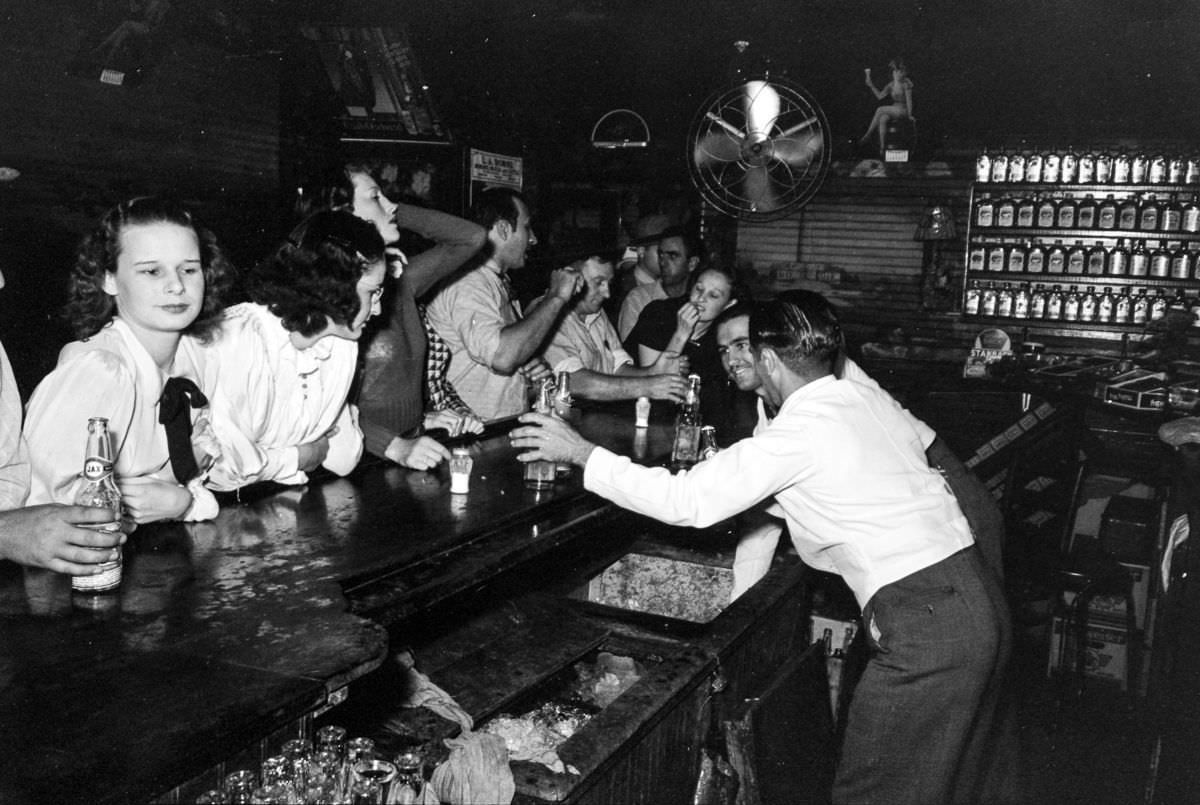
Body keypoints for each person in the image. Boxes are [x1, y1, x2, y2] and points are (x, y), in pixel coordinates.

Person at [511, 290, 1014, 805]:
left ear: (769, 359)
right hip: (974, 600)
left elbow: (688, 502)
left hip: (925, 623)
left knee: (872, 793)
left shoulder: (799, 431)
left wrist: (579, 452)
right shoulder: (860, 400)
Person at [712, 299, 1008, 598]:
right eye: (723, 350)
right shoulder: (768, 414)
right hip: (897, 526)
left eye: (741, 345)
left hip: (931, 465)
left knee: (984, 578)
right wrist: (739, 602)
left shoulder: (823, 378)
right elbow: (762, 515)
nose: (731, 360)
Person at [24, 196, 231, 524]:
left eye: (189, 269)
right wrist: (180, 502)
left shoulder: (196, 356)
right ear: (108, 279)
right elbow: (42, 512)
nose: (177, 286)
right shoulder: (99, 372)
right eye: (152, 271)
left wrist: (182, 500)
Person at [303, 163, 486, 470]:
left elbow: (471, 237)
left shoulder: (400, 280)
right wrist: (393, 445)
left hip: (406, 450)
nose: (390, 205)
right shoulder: (329, 294)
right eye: (375, 197)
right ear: (342, 213)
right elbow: (323, 410)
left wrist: (386, 215)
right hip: (357, 460)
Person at [198, 210, 382, 491]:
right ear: (332, 286)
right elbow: (223, 470)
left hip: (286, 500)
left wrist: (268, 457)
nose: (378, 309)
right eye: (372, 293)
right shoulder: (239, 338)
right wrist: (301, 455)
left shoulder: (342, 344)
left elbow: (343, 457)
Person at [424, 188, 581, 422]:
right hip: (472, 433)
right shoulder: (468, 282)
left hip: (497, 425)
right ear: (503, 229)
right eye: (527, 227)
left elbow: (503, 358)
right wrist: (556, 297)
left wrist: (527, 369)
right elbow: (502, 358)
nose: (533, 239)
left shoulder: (495, 281)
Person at [628, 264, 757, 442]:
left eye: (713, 295)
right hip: (637, 414)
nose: (700, 299)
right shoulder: (659, 313)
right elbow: (653, 383)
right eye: (699, 289)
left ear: (729, 304)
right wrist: (681, 333)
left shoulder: (720, 337)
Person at [540, 250, 690, 403]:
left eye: (609, 283)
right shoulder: (545, 315)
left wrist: (653, 372)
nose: (607, 294)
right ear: (570, 278)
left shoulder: (596, 313)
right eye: (598, 283)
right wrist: (648, 386)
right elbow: (573, 381)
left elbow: (617, 369)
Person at [617, 224, 696, 343]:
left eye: (673, 256)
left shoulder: (698, 298)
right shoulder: (638, 298)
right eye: (660, 254)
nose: (663, 262)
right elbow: (631, 354)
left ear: (692, 263)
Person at [859, 58, 914, 153]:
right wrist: (871, 85)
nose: (898, 74)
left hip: (903, 109)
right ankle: (882, 147)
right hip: (894, 109)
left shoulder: (906, 83)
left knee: (880, 109)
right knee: (883, 118)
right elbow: (880, 96)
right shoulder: (891, 85)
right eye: (896, 72)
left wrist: (909, 115)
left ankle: (868, 134)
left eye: (900, 72)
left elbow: (909, 101)